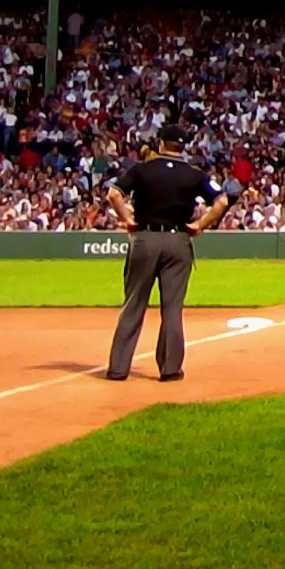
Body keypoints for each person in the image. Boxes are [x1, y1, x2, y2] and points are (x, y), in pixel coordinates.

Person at [103, 128, 231, 383]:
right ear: (181, 147)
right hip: (178, 241)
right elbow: (222, 202)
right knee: (172, 308)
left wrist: (127, 219)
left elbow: (114, 194)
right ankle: (170, 369)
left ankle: (118, 369)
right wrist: (200, 225)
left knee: (133, 305)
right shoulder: (194, 174)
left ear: (160, 143)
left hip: (146, 238)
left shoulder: (142, 169)